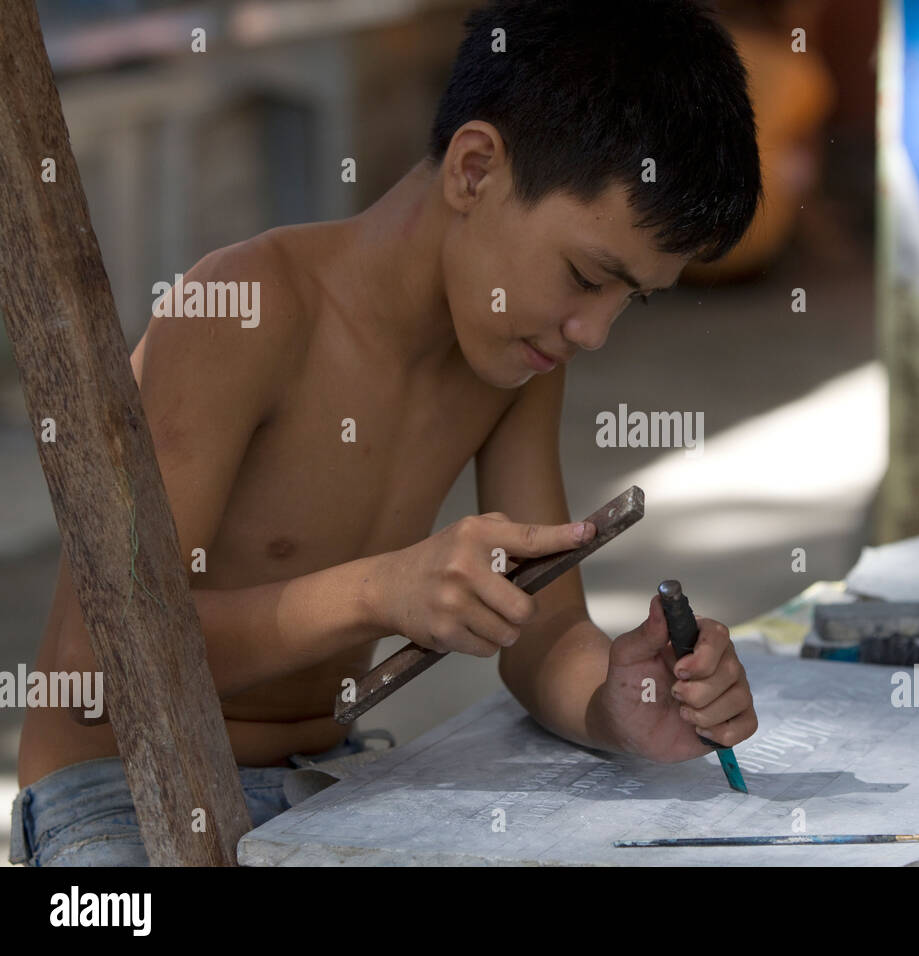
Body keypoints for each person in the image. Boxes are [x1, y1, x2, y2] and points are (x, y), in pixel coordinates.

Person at [11, 0, 762, 866]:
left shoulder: (513, 359)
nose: (593, 331)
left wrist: (615, 702)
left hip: (327, 783)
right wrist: (380, 592)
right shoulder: (248, 309)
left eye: (629, 299)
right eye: (587, 276)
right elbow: (101, 662)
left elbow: (547, 633)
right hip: (118, 792)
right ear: (474, 170)